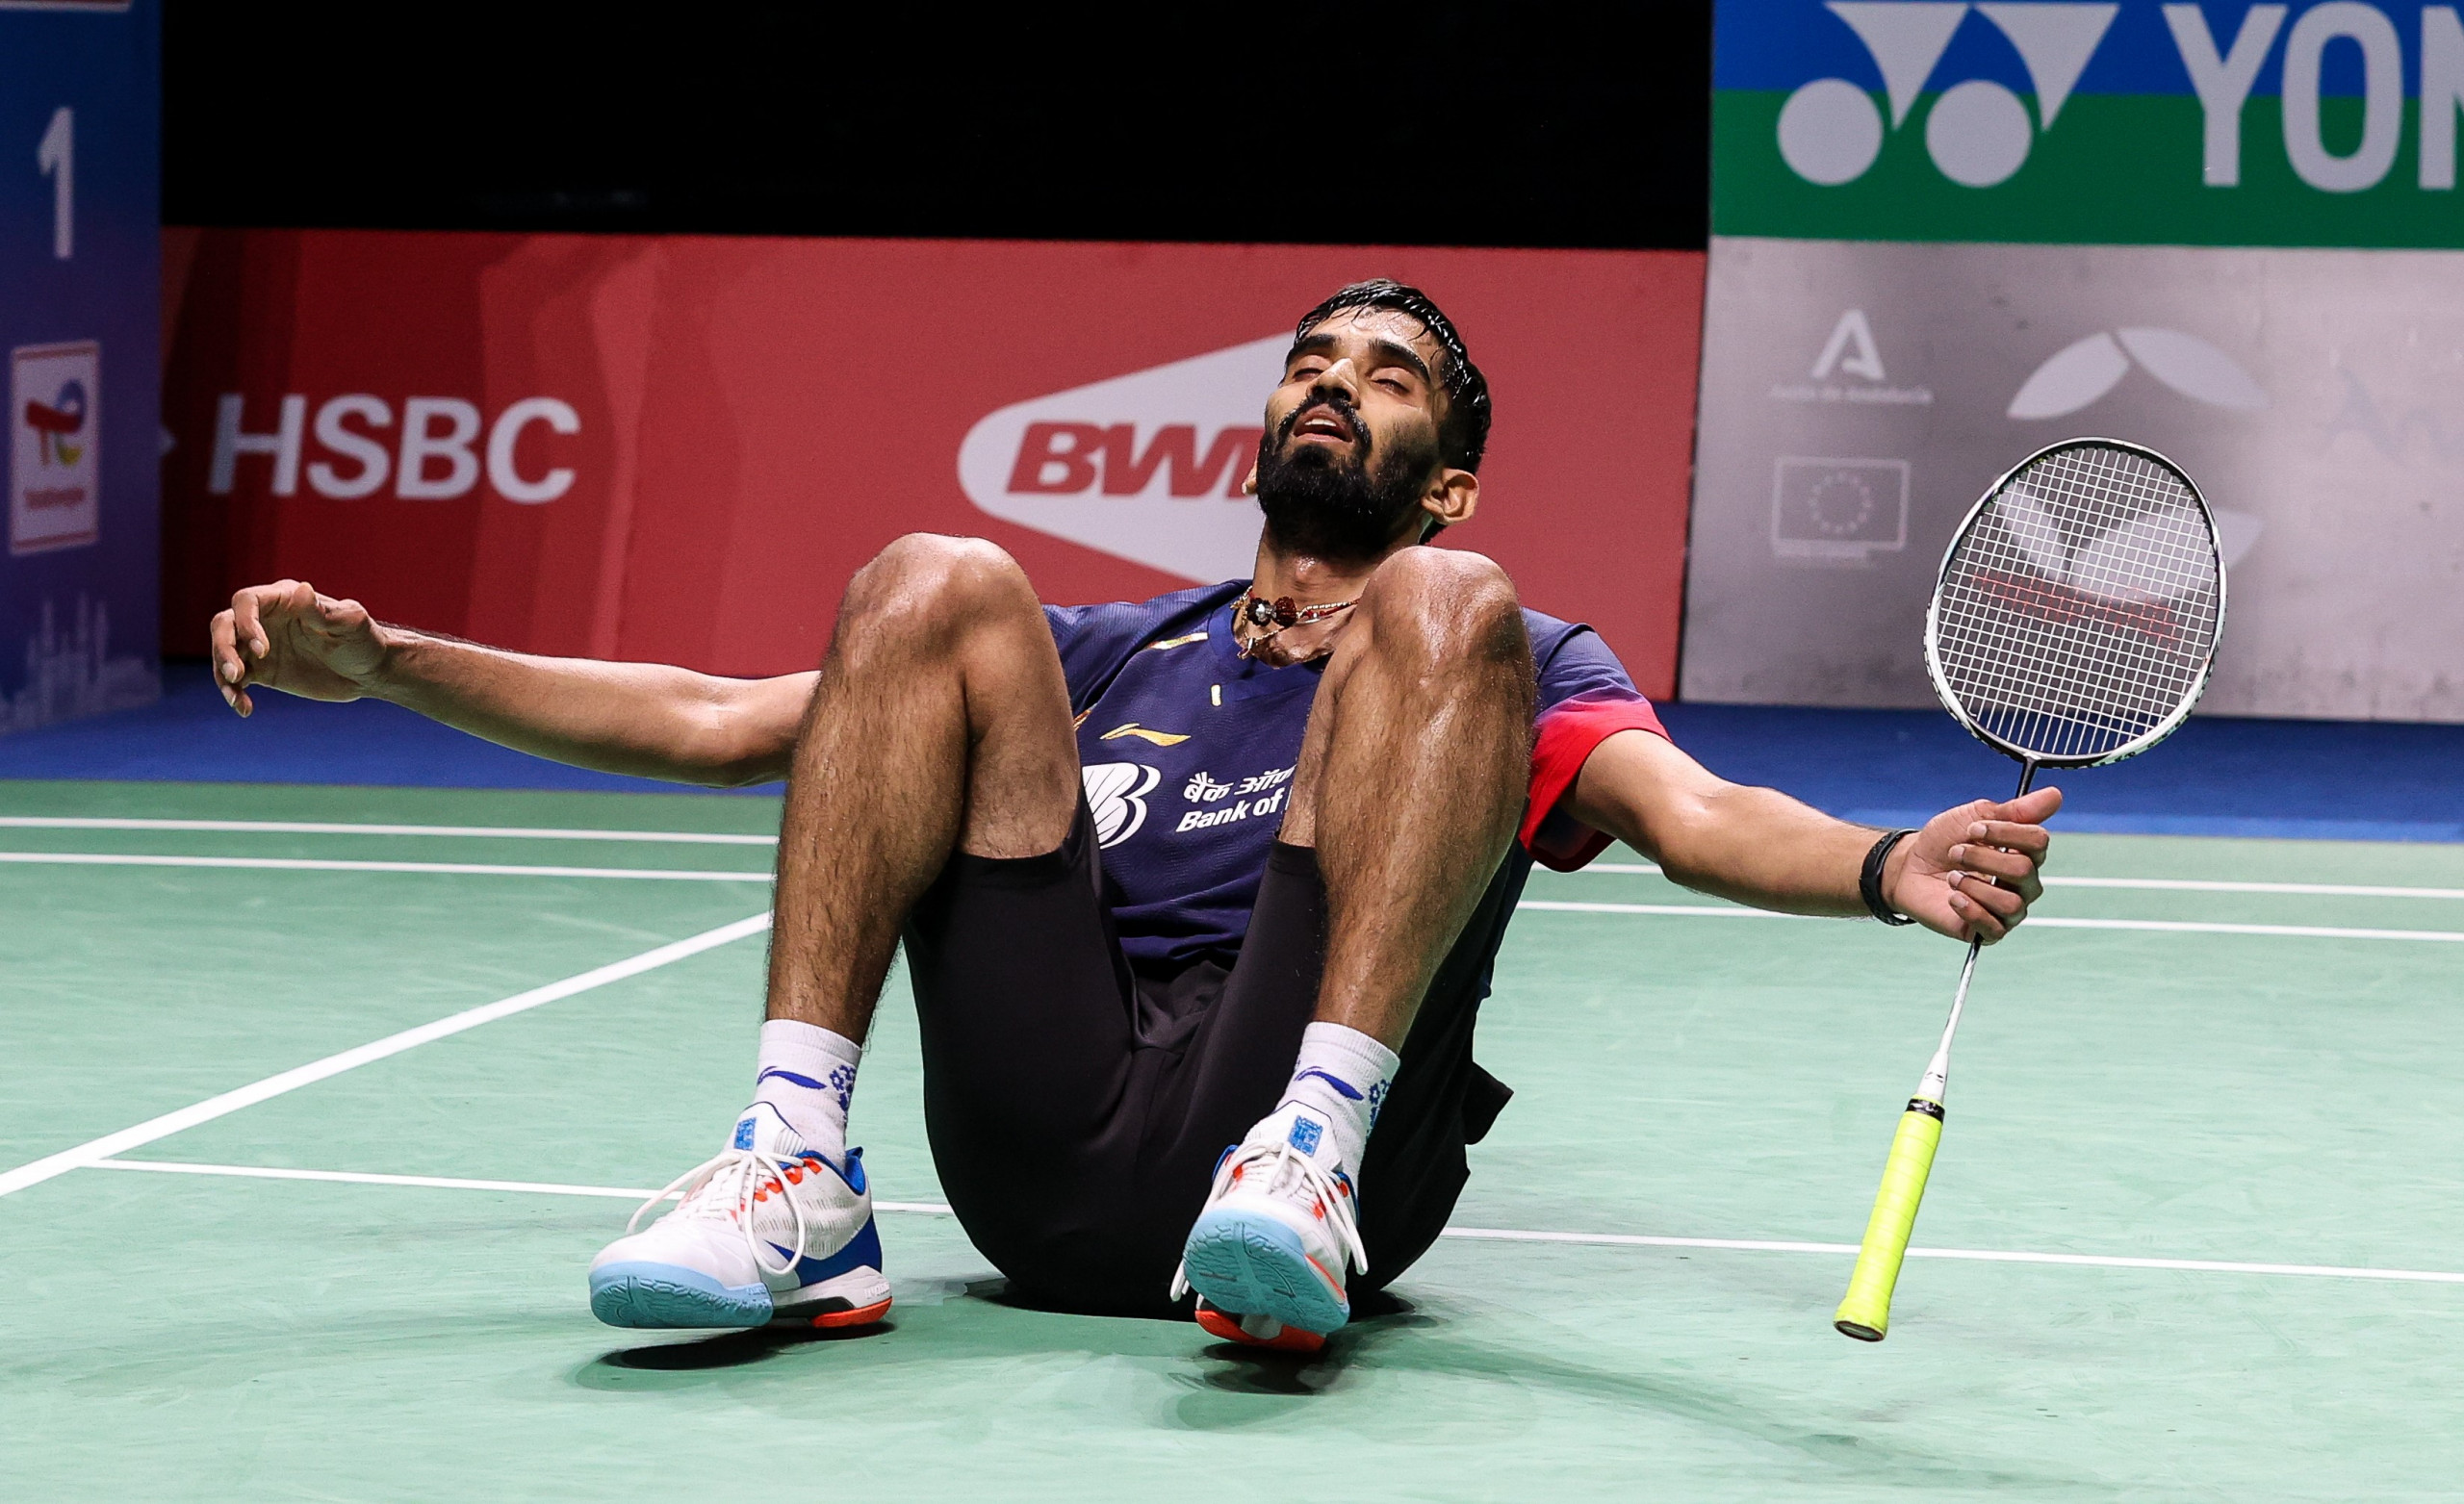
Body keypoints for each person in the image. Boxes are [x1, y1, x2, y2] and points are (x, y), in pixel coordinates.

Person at [209, 280, 2057, 1354]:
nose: (1337, 381)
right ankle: (796, 1174)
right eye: (1314, 360)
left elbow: (1698, 813)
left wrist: (1888, 869)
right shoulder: (1109, 651)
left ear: (1450, 470)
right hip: (1049, 1158)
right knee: (931, 577)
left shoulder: (1494, 645)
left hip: (1294, 1149)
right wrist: (389, 666)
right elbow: (712, 719)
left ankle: (1312, 1153)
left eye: (1388, 374)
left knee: (1447, 611)